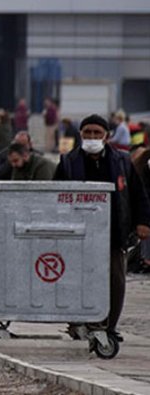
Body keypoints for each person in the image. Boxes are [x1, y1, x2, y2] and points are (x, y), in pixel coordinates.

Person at [54, 114, 150, 341]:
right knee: (77, 279)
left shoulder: (122, 161)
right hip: (77, 233)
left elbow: (137, 194)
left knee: (114, 280)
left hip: (114, 233)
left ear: (106, 136)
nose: (92, 137)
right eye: (88, 133)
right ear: (80, 134)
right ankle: (79, 321)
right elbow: (54, 194)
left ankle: (108, 326)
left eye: (97, 133)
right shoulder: (68, 162)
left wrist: (143, 222)